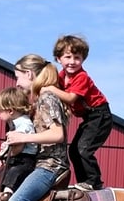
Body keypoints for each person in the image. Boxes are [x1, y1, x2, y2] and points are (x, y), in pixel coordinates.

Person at [1, 54, 70, 201]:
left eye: (18, 76)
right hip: (41, 162)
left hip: (51, 165)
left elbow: (57, 134)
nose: (18, 83)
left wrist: (21, 136)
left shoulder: (47, 97)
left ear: (29, 74)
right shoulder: (42, 97)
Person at [41, 34, 113, 191]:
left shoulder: (82, 77)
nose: (72, 62)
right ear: (58, 59)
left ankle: (94, 182)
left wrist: (51, 89)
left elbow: (71, 98)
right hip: (89, 117)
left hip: (100, 115)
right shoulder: (61, 77)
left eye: (77, 57)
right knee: (74, 150)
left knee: (84, 149)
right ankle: (83, 182)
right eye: (67, 57)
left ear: (83, 59)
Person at [0, 86, 37, 201]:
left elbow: (18, 147)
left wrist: (3, 154)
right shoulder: (14, 123)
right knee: (2, 171)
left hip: (25, 160)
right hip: (16, 157)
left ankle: (5, 198)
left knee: (14, 173)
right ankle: (2, 197)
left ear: (11, 110)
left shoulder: (23, 124)